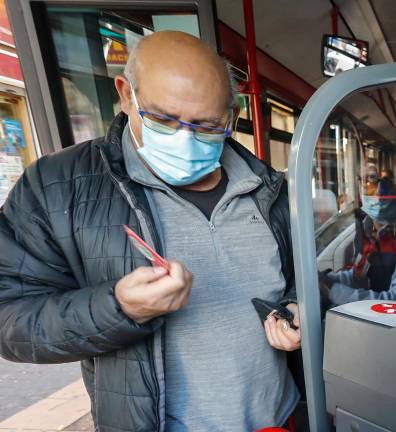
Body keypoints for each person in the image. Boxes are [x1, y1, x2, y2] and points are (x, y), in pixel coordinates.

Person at [0, 31, 300, 431]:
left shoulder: (269, 187)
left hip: (279, 418)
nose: (186, 139)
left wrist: (297, 308)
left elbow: (303, 280)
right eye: (162, 119)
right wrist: (119, 308)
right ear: (126, 95)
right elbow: (11, 319)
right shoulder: (57, 187)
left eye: (208, 125)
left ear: (233, 116)